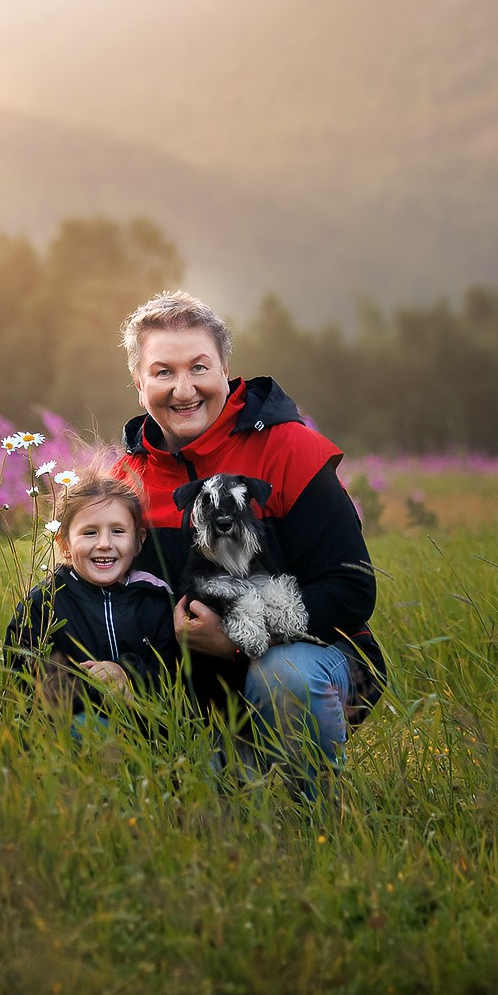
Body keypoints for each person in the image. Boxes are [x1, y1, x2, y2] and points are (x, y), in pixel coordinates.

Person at [115, 290, 385, 781]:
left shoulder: (289, 449)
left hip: (315, 658)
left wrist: (240, 639)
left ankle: (315, 819)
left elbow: (351, 589)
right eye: (163, 372)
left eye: (199, 367)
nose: (183, 389)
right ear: (138, 383)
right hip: (191, 687)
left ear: (225, 371)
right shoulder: (123, 483)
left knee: (286, 677)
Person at [4, 467, 183, 721]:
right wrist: (95, 686)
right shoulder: (44, 603)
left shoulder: (155, 598)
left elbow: (172, 676)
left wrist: (127, 675)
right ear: (64, 544)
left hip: (148, 729)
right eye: (90, 532)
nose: (104, 543)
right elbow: (21, 682)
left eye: (118, 531)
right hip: (73, 729)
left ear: (138, 541)